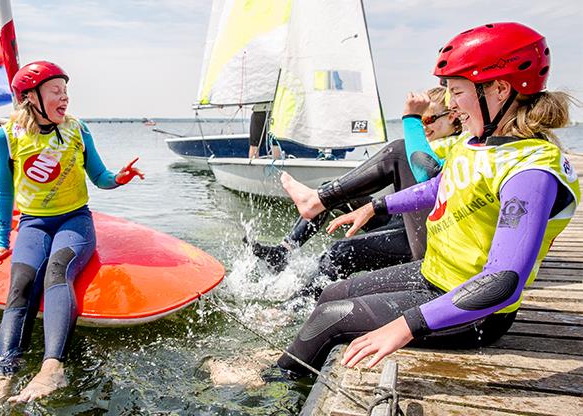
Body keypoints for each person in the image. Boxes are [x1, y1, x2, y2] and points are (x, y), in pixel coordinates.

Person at [277, 22, 579, 377]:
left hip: (475, 313)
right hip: (434, 274)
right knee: (333, 293)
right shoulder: (477, 142)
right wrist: (376, 205)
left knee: (333, 318)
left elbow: (502, 280)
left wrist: (403, 326)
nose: (451, 106)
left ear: (499, 89)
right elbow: (440, 187)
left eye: (457, 91)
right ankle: (299, 364)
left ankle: (275, 381)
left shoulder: (531, 171)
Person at [0, 61, 144, 414]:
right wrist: (3, 242)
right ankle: (3, 381)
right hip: (33, 223)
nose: (64, 97)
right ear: (31, 97)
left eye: (66, 90)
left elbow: (99, 176)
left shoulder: (77, 129)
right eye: (56, 91)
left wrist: (120, 178)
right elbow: (5, 194)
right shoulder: (9, 136)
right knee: (20, 284)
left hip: (74, 221)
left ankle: (52, 368)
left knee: (57, 270)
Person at [247, 87, 463, 278]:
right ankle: (284, 251)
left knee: (339, 252)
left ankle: (291, 309)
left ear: (452, 118)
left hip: (419, 235)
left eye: (427, 120)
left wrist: (411, 119)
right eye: (419, 120)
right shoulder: (427, 144)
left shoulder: (454, 146)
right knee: (335, 194)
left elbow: (426, 172)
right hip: (399, 219)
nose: (422, 127)